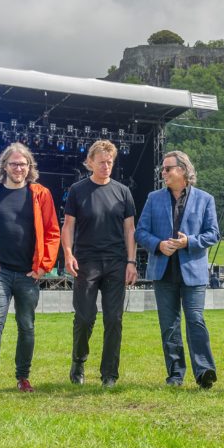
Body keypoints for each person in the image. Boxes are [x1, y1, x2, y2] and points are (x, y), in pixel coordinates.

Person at [0, 142, 60, 396]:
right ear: (4, 167)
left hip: (28, 274)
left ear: (29, 166)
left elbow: (53, 232)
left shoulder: (41, 194)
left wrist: (43, 267)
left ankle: (23, 378)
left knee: (27, 326)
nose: (18, 168)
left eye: (23, 164)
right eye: (13, 164)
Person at [135, 151, 219, 388]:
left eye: (167, 169)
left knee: (195, 320)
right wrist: (159, 245)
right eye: (163, 169)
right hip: (163, 272)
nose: (163, 173)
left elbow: (213, 234)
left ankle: (204, 371)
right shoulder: (153, 198)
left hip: (193, 272)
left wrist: (188, 242)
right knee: (169, 325)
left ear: (182, 170)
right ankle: (175, 375)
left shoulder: (205, 199)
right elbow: (140, 232)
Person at [62, 140, 138, 388]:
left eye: (110, 162)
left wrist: (131, 261)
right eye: (102, 161)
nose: (106, 166)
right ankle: (78, 360)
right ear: (90, 162)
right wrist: (68, 253)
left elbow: (130, 230)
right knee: (84, 317)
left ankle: (109, 374)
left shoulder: (123, 192)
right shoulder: (77, 190)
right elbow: (68, 226)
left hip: (116, 262)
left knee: (114, 319)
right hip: (86, 262)